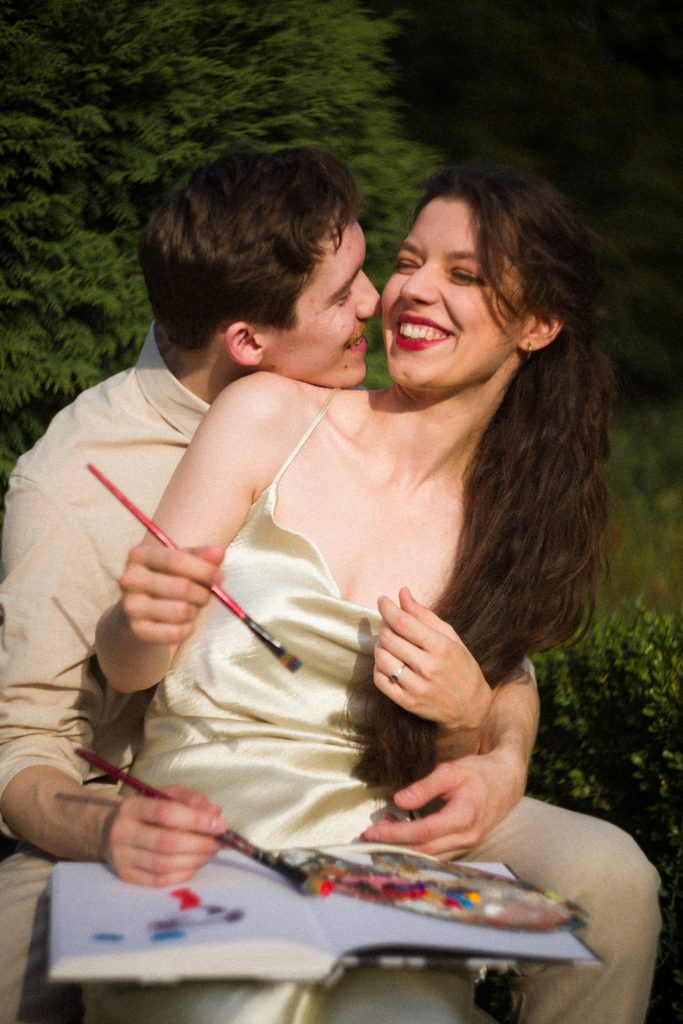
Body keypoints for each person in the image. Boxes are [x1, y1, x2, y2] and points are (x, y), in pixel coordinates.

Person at [91, 166, 661, 1024]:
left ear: (538, 325)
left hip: (380, 829)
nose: (414, 290)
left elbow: (507, 676)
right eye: (408, 261)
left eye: (463, 275)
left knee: (605, 879)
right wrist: (137, 623)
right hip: (215, 811)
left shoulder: (515, 513)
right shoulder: (270, 417)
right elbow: (129, 669)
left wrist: (491, 745)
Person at [0, 148, 537, 1024]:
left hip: (353, 792)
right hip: (123, 810)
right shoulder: (70, 481)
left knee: (610, 883)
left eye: (368, 271)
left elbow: (496, 647)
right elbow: (22, 743)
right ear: (249, 343)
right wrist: (103, 827)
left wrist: (502, 754)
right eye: (343, 293)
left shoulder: (362, 405)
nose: (378, 303)